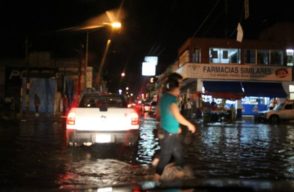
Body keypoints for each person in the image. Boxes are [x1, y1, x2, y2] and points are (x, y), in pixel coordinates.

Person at [154, 77, 196, 180]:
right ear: (174, 89)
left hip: (168, 131)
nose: (179, 90)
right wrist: (189, 125)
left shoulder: (164, 98)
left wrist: (175, 127)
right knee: (166, 157)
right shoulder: (172, 100)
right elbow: (177, 116)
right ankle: (155, 180)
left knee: (179, 155)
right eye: (178, 88)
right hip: (170, 133)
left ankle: (181, 178)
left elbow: (161, 114)